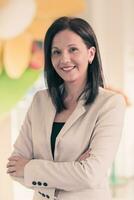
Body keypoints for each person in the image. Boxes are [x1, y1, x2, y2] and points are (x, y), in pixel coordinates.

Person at [6, 16, 126, 200]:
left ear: (91, 53)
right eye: (56, 52)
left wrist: (30, 167)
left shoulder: (110, 104)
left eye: (73, 50)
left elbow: (90, 174)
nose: (64, 59)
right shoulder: (40, 100)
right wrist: (72, 171)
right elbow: (14, 168)